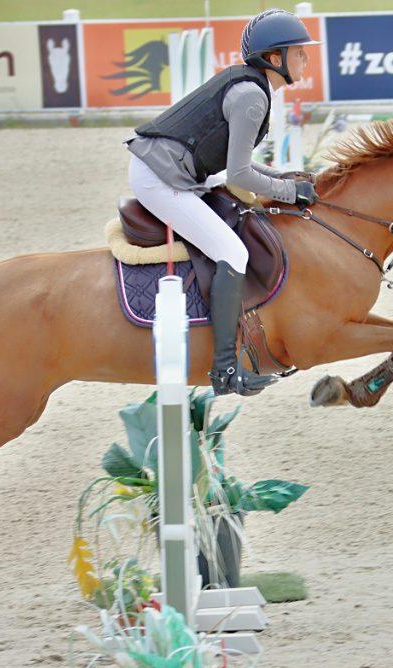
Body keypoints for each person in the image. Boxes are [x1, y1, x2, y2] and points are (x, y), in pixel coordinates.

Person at [125, 9, 319, 397]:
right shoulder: (252, 97)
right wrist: (289, 192)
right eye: (299, 52)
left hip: (180, 167)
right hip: (161, 177)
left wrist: (283, 178)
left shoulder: (253, 88)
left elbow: (238, 164)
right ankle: (225, 369)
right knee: (232, 252)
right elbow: (239, 176)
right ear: (275, 58)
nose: (306, 58)